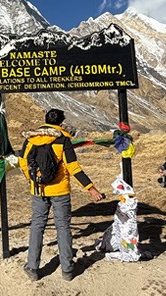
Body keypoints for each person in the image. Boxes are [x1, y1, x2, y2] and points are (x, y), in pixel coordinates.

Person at [19, 108, 104, 282]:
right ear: (60, 122)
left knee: (37, 226)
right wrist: (91, 188)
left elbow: (23, 162)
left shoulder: (30, 139)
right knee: (63, 227)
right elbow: (73, 168)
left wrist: (33, 180)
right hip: (60, 191)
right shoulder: (63, 140)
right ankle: (67, 269)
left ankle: (33, 268)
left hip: (38, 190)